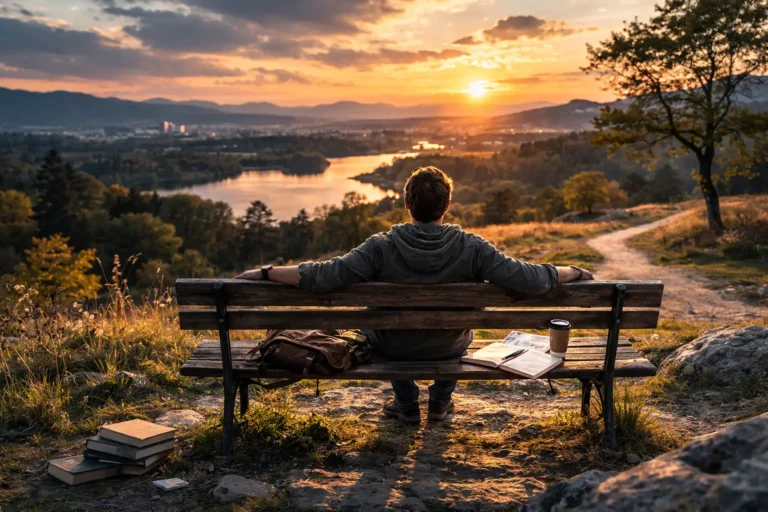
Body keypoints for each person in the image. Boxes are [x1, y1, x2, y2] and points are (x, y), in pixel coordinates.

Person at [235, 166, 594, 424]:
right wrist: (571, 271)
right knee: (458, 332)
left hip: (392, 347)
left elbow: (324, 275)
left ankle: (407, 405)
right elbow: (530, 278)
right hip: (449, 346)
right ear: (446, 205)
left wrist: (266, 272)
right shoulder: (473, 247)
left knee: (384, 332)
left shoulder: (380, 247)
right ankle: (439, 403)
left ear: (407, 204)